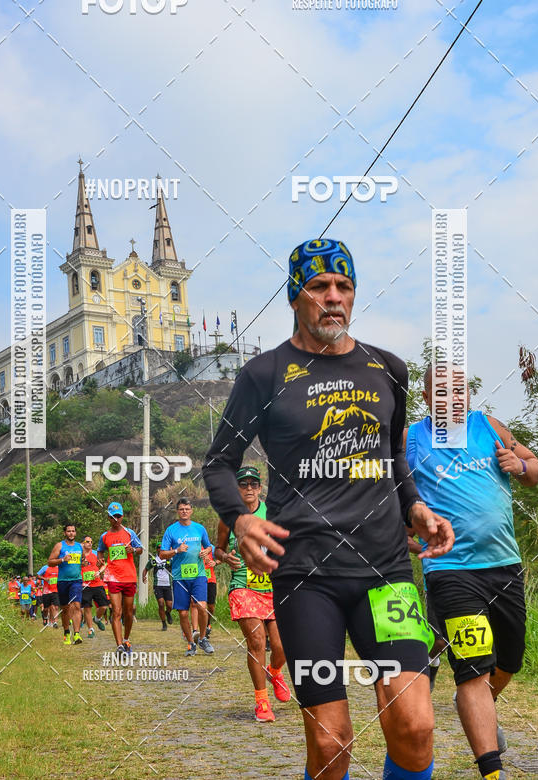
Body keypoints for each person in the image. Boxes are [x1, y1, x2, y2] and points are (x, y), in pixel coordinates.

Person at [203, 238, 454, 780]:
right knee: (332, 739)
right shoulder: (264, 376)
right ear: (296, 297)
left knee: (414, 726)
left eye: (344, 286)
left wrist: (415, 508)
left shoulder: (388, 368)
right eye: (318, 287)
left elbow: (392, 456)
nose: (333, 298)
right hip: (305, 577)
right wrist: (241, 518)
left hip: (386, 571)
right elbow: (219, 463)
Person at [406, 364, 538, 780]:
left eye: (459, 389)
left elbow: (536, 470)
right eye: (441, 390)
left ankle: (478, 702)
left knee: (509, 662)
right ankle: (492, 769)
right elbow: (387, 492)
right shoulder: (411, 439)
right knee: (475, 667)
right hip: (451, 570)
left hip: (504, 566)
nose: (453, 397)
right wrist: (402, 534)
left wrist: (520, 468)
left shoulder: (491, 427)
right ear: (427, 397)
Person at [215, 465, 291, 722]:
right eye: (243, 484)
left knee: (282, 645)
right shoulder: (228, 518)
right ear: (237, 488)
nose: (249, 488)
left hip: (273, 587)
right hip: (243, 586)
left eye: (253, 484)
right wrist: (225, 557)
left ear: (260, 488)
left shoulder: (273, 513)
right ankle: (262, 702)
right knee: (257, 642)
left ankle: (275, 670)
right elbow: (218, 549)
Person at [159, 499, 215, 656]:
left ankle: (203, 638)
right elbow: (162, 554)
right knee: (183, 613)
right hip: (179, 577)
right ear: (177, 511)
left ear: (191, 511)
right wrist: (176, 550)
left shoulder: (199, 528)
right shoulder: (171, 531)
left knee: (202, 607)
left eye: (187, 508)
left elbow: (209, 545)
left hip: (198, 574)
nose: (184, 511)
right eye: (181, 509)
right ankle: (191, 643)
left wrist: (207, 551)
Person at [97, 502, 143, 656]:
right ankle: (119, 646)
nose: (116, 519)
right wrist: (100, 561)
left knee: (128, 612)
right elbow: (100, 552)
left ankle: (126, 639)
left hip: (129, 577)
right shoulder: (105, 536)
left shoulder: (130, 533)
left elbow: (141, 549)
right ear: (108, 517)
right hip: (113, 577)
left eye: (118, 516)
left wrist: (133, 550)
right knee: (116, 611)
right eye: (113, 516)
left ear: (122, 516)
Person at [48, 522, 84, 646]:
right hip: (63, 581)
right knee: (65, 609)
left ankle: (77, 634)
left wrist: (83, 563)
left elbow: (82, 560)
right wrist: (63, 559)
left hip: (76, 580)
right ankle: (66, 632)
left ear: (76, 533)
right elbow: (50, 562)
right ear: (65, 533)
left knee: (77, 605)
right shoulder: (59, 546)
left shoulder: (80, 546)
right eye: (69, 531)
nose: (71, 533)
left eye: (73, 531)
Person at [81, 535, 108, 637]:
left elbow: (104, 565)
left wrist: (99, 572)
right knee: (87, 608)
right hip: (85, 585)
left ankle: (96, 619)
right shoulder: (79, 556)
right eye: (87, 541)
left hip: (97, 583)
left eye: (91, 542)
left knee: (104, 606)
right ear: (83, 543)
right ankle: (90, 629)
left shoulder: (96, 554)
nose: (90, 543)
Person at [142, 551, 173, 630]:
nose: (160, 550)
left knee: (169, 605)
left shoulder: (169, 559)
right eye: (158, 548)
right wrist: (144, 577)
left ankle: (168, 612)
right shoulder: (153, 560)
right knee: (161, 604)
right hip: (158, 585)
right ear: (156, 550)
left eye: (161, 548)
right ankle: (163, 623)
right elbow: (145, 569)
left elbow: (176, 567)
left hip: (168, 585)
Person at [38, 563, 60, 628]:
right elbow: (38, 576)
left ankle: (54, 622)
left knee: (55, 607)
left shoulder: (59, 568)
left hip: (55, 590)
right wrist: (45, 579)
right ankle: (45, 617)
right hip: (46, 592)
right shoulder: (45, 567)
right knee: (46, 609)